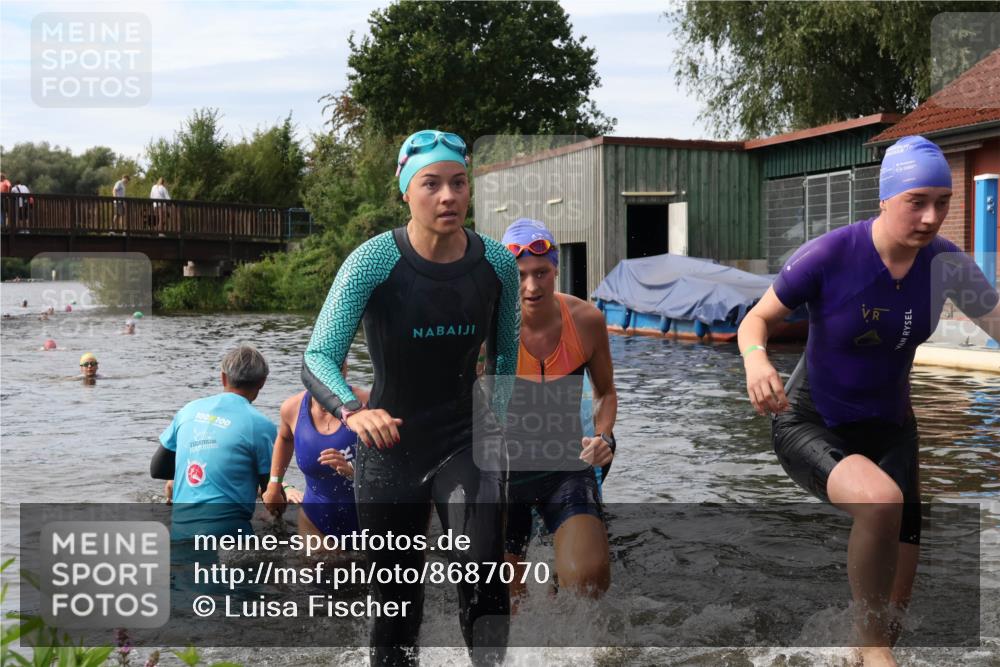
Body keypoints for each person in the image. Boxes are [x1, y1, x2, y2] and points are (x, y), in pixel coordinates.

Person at [737, 135, 1000, 667]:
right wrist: (757, 362)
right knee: (880, 504)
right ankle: (872, 650)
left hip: (893, 434)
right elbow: (756, 320)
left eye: (943, 202)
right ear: (885, 197)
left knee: (892, 613)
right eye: (916, 202)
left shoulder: (946, 265)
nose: (931, 217)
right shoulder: (831, 255)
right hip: (812, 423)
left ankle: (866, 653)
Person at [301, 129, 520, 666]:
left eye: (459, 183)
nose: (448, 196)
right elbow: (318, 356)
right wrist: (354, 411)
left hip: (465, 439)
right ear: (406, 192)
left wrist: (496, 422)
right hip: (390, 450)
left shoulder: (497, 263)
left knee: (484, 573)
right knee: (397, 608)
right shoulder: (373, 261)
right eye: (431, 184)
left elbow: (505, 358)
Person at [500, 218, 618, 609]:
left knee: (587, 581)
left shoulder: (586, 321)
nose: (531, 287)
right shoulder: (486, 326)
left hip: (565, 466)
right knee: (506, 608)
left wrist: (603, 436)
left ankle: (560, 575)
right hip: (501, 475)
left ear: (556, 270)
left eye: (541, 273)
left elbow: (605, 393)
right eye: (520, 275)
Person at [149, 345, 277, 539]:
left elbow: (157, 470)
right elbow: (271, 495)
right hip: (229, 534)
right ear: (262, 382)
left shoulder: (188, 410)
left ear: (223, 377)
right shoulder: (261, 425)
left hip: (180, 530)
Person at [262, 362, 369, 546]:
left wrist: (353, 470)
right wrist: (274, 485)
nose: (329, 380)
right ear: (308, 373)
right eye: (322, 372)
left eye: (336, 370)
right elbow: (285, 439)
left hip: (366, 520)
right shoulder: (292, 408)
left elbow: (396, 466)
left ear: (345, 370)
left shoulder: (368, 405)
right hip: (315, 520)